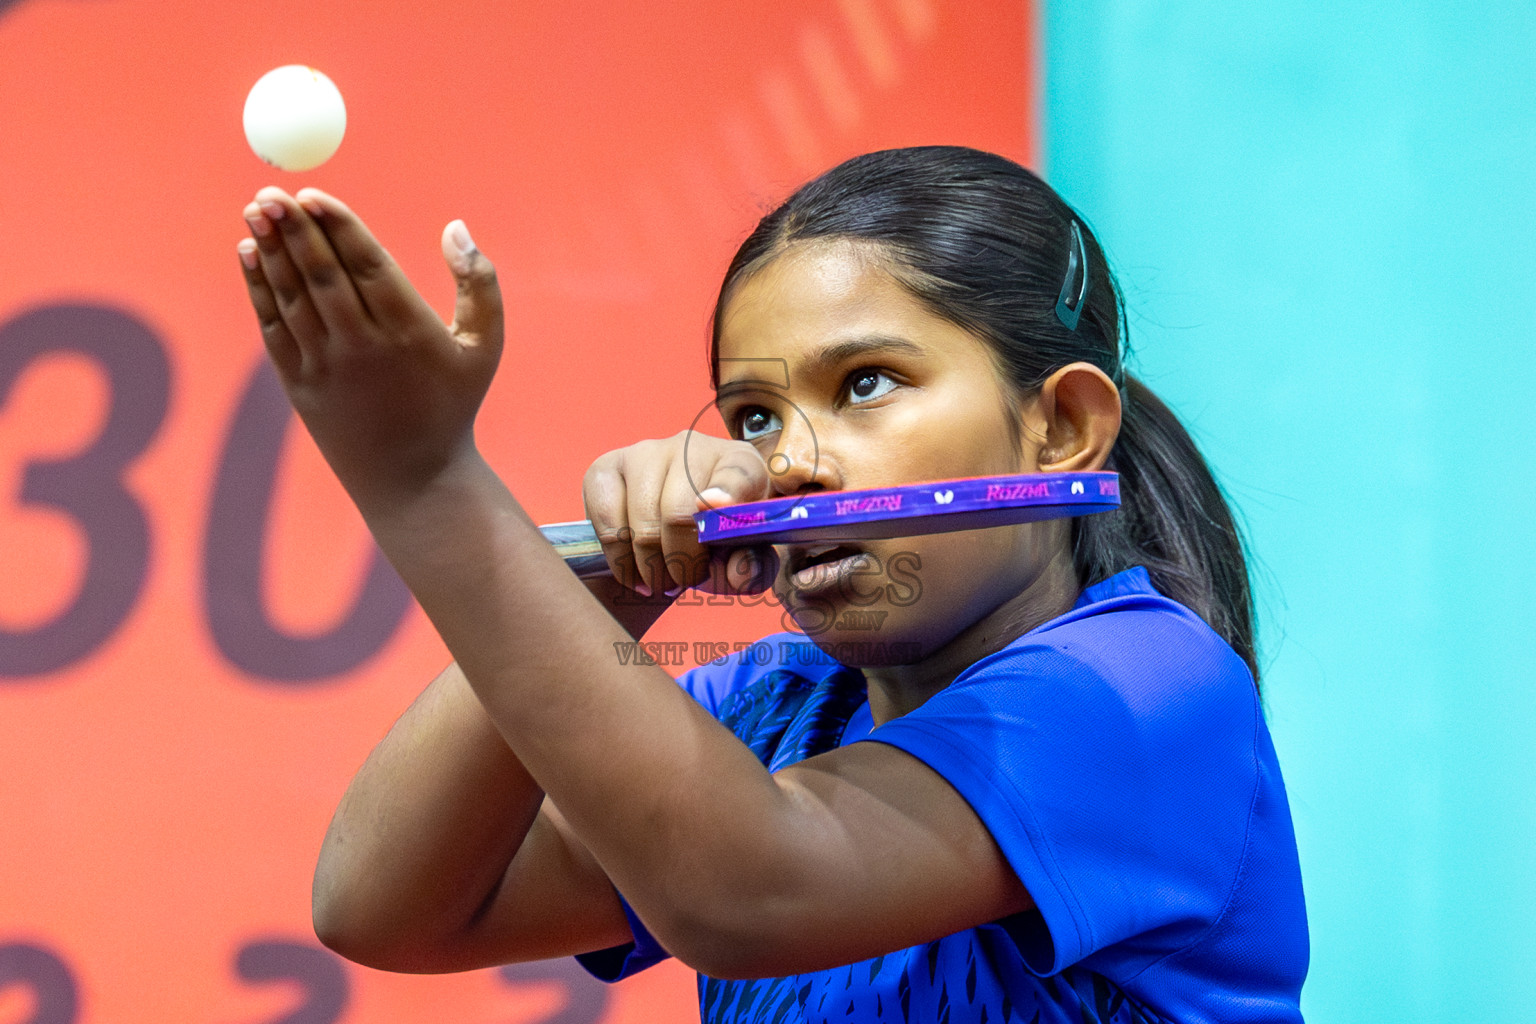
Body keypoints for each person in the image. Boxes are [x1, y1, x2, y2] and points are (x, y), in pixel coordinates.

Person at [236, 146, 1308, 1024]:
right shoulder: (770, 704)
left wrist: (428, 484)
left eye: (867, 385)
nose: (786, 462)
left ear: (1061, 428)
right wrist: (618, 582)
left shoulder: (1143, 688)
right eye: (753, 416)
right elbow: (384, 905)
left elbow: (747, 891)